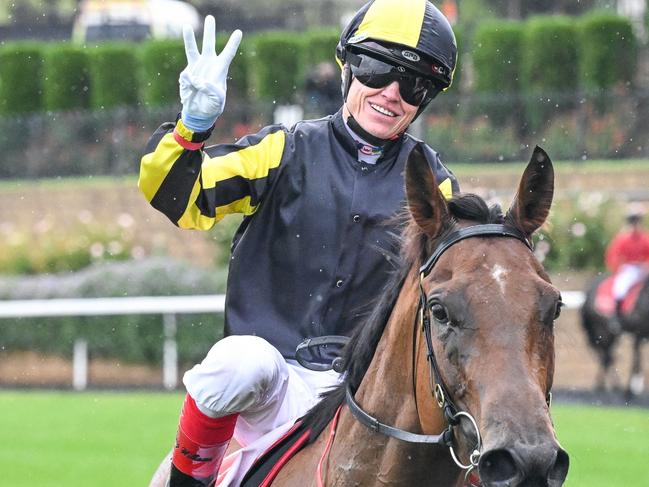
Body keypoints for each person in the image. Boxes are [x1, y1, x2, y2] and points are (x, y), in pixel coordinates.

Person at [138, 1, 459, 485]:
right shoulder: (283, 150)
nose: (391, 94)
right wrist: (192, 127)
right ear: (346, 66)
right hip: (273, 382)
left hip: (367, 393)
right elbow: (177, 197)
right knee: (236, 363)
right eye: (377, 69)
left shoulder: (435, 187)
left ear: (426, 97)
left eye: (413, 83)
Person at [605, 209, 649, 320]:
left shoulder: (645, 239)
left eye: (637, 222)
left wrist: (646, 265)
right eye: (632, 222)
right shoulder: (622, 239)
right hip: (629, 269)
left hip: (643, 269)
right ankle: (616, 316)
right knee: (620, 289)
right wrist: (618, 267)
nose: (635, 225)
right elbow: (613, 255)